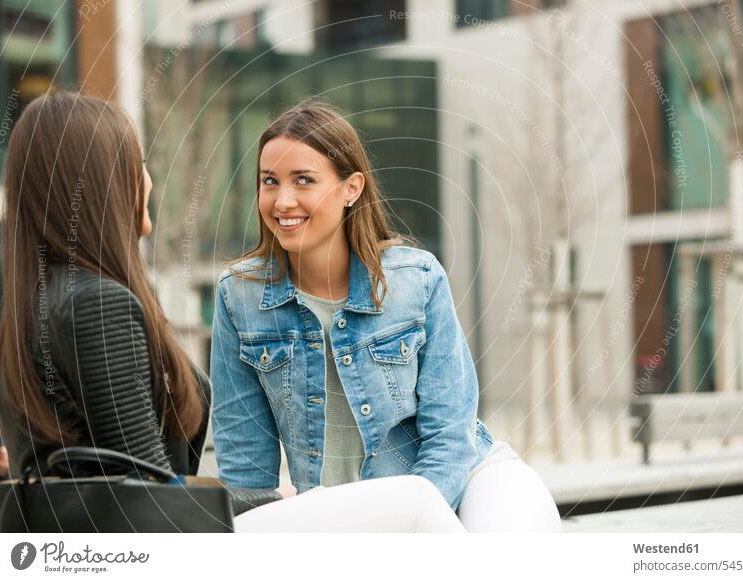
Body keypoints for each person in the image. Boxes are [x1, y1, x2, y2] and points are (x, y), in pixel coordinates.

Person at [0, 91, 464, 533]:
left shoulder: (39, 299)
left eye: (303, 180)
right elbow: (146, 490)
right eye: (137, 165)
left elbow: (118, 472)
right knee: (419, 503)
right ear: (102, 184)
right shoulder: (98, 304)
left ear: (352, 189)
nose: (149, 180)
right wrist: (268, 500)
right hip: (144, 545)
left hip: (106, 543)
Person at [211, 101, 562, 532]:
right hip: (356, 512)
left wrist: (410, 528)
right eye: (270, 181)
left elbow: (450, 437)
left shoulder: (415, 280)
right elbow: (245, 470)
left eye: (304, 180)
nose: (283, 200)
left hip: (467, 478)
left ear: (351, 189)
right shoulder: (239, 297)